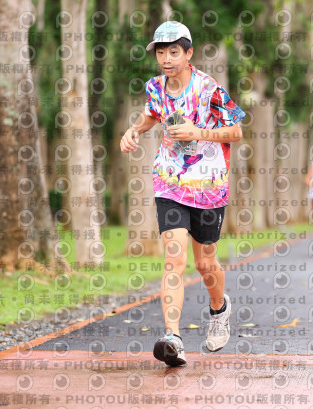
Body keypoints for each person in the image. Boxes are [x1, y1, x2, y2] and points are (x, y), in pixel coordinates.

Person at [120, 21, 245, 367]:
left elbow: (235, 131)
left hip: (208, 187)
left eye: (173, 52)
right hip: (170, 182)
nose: (166, 59)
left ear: (188, 53)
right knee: (174, 257)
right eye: (160, 52)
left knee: (205, 263)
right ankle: (173, 338)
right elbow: (151, 115)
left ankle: (219, 309)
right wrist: (133, 131)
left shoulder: (209, 89)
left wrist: (197, 131)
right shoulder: (155, 87)